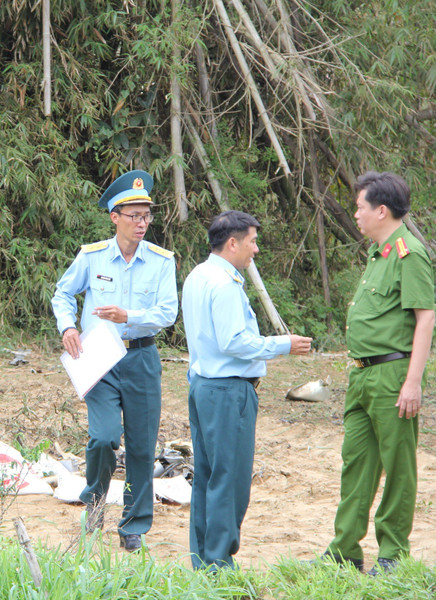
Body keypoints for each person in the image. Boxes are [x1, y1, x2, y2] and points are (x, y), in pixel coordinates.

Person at [51, 170, 178, 551]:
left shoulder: (161, 261)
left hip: (141, 357)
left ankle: (133, 526)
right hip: (100, 359)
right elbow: (62, 293)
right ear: (114, 217)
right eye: (133, 216)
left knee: (141, 446)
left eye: (146, 216)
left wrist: (131, 317)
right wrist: (67, 327)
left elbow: (168, 312)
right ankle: (93, 503)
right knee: (104, 438)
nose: (142, 223)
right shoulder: (91, 257)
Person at [181, 210, 312, 571]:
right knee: (230, 479)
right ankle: (220, 565)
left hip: (204, 387)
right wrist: (282, 344)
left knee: (207, 476)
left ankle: (204, 560)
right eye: (252, 241)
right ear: (233, 243)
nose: (256, 249)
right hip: (227, 392)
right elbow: (234, 342)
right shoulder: (223, 283)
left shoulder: (197, 275)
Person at [319, 172, 435, 576]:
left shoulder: (409, 253)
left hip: (392, 374)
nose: (356, 214)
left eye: (360, 207)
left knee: (398, 465)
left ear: (381, 210)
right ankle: (344, 550)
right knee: (356, 463)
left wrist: (412, 381)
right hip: (362, 376)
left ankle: (391, 555)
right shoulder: (379, 254)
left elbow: (426, 319)